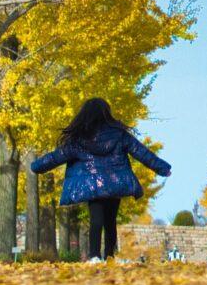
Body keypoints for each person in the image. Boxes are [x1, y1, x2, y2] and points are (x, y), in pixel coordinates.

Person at [30, 97, 171, 262]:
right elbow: (141, 152)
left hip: (92, 185)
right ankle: (109, 256)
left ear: (85, 115)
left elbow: (56, 157)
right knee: (110, 221)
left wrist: (36, 167)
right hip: (114, 183)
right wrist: (162, 168)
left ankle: (94, 256)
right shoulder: (119, 134)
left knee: (96, 220)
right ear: (107, 113)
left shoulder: (79, 139)